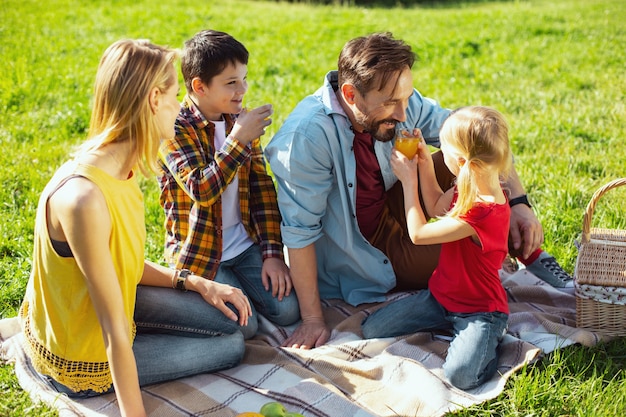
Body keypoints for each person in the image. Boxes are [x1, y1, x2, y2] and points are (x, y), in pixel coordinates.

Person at [265, 32, 569, 350]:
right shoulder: (305, 138)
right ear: (350, 95)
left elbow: (477, 136)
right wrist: (313, 319)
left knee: (471, 149)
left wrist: (519, 203)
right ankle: (503, 245)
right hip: (368, 248)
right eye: (391, 103)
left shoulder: (397, 99)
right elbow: (300, 232)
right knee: (470, 257)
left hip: (396, 200)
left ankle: (521, 242)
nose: (402, 113)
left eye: (406, 98)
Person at [19, 39, 253, 417]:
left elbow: (122, 265)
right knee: (231, 346)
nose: (180, 107)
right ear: (152, 100)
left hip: (108, 307)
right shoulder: (84, 199)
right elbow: (113, 331)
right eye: (176, 95)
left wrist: (195, 282)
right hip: (81, 357)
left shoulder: (120, 168)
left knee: (238, 323)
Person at [157, 29, 300, 338]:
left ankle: (245, 284)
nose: (243, 90)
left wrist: (273, 253)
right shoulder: (173, 127)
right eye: (232, 83)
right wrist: (237, 141)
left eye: (244, 79)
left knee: (288, 311)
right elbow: (200, 189)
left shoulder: (239, 120)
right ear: (199, 86)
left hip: (244, 243)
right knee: (244, 326)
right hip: (201, 252)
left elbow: (262, 189)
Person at [362, 106, 512, 390]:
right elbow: (434, 206)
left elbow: (419, 233)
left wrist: (409, 182)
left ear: (462, 161)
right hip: (441, 297)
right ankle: (453, 330)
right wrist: (424, 165)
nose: (438, 152)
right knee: (372, 329)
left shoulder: (484, 211)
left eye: (443, 149)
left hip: (480, 310)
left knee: (462, 376)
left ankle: (489, 337)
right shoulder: (470, 186)